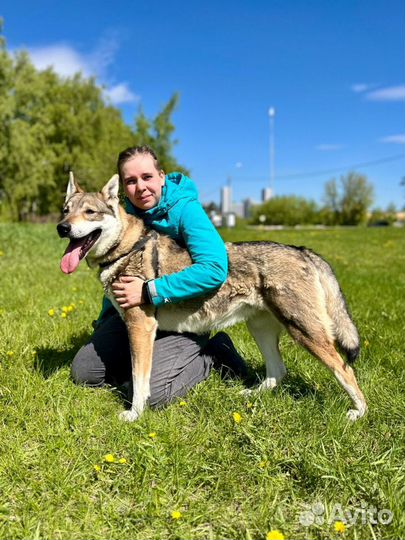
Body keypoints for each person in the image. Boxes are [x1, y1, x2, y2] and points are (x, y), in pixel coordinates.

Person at [71, 145, 247, 408]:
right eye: (131, 181)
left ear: (161, 176)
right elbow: (120, 279)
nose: (140, 187)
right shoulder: (121, 215)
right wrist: (108, 320)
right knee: (85, 372)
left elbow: (214, 268)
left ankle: (213, 353)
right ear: (122, 188)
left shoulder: (185, 209)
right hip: (140, 312)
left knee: (155, 395)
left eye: (147, 177)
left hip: (185, 313)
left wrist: (149, 291)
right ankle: (141, 361)